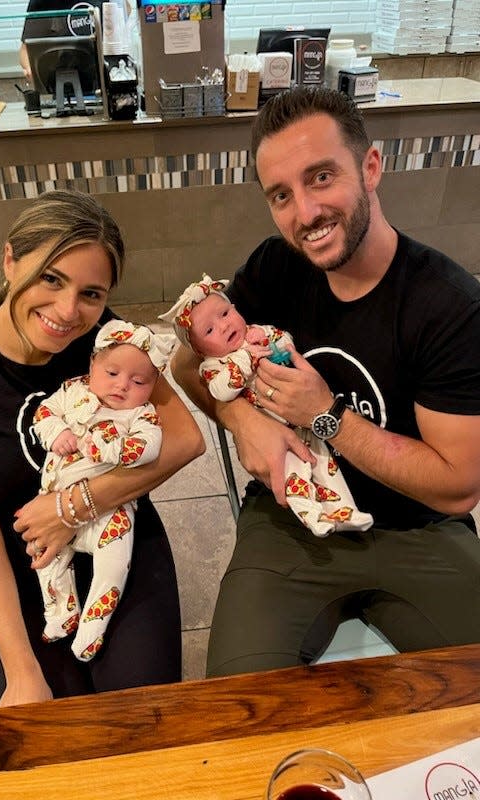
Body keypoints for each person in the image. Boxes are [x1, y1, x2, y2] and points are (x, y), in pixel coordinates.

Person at [171, 86, 480, 677]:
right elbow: (191, 361)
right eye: (281, 195)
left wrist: (326, 416)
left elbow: (458, 486)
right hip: (291, 523)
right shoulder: (274, 268)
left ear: (370, 167)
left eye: (320, 178)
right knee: (240, 708)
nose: (305, 214)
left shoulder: (448, 306)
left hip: (418, 529)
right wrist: (244, 423)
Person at [0, 189, 204, 708]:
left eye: (92, 293)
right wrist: (20, 671)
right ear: (11, 260)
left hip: (109, 527)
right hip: (0, 550)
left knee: (139, 712)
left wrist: (73, 507)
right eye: (51, 278)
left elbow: (183, 440)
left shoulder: (112, 342)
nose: (68, 311)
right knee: (52, 717)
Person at [160, 273, 373, 537]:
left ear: (236, 309)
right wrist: (245, 359)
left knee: (325, 464)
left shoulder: (256, 333)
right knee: (294, 472)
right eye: (210, 330)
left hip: (301, 416)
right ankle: (312, 516)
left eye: (225, 314)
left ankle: (347, 511)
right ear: (201, 350)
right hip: (273, 429)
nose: (224, 326)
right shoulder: (214, 366)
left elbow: (285, 339)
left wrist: (275, 341)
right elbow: (222, 390)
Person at [32, 318, 175, 660]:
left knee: (114, 562)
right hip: (52, 502)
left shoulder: (142, 416)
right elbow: (44, 413)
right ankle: (61, 612)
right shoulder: (72, 391)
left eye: (138, 381)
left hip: (110, 508)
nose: (122, 386)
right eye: (112, 374)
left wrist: (102, 448)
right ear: (92, 365)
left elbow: (148, 448)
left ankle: (95, 623)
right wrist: (56, 434)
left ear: (152, 386)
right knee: (45, 556)